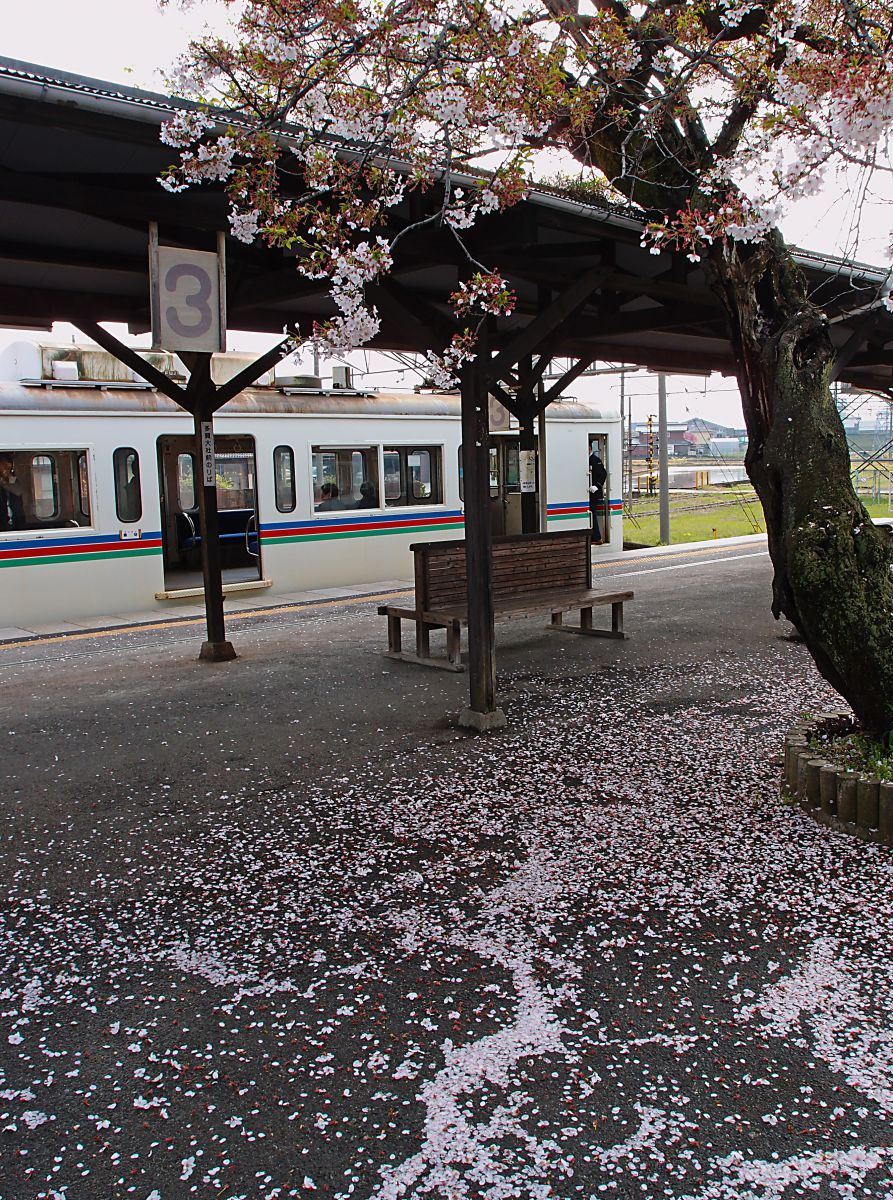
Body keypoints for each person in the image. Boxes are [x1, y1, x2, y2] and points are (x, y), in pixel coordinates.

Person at [0, 453, 27, 531]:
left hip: (16, 520)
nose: (6, 469)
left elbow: (18, 491)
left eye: (9, 466)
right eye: (3, 465)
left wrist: (7, 478)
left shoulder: (11, 479)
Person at [588, 446, 607, 544]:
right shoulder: (586, 459)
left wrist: (597, 486)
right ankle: (593, 537)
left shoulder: (596, 460)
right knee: (590, 514)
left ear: (590, 448)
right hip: (588, 493)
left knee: (592, 513)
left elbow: (603, 474)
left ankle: (597, 537)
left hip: (594, 493)